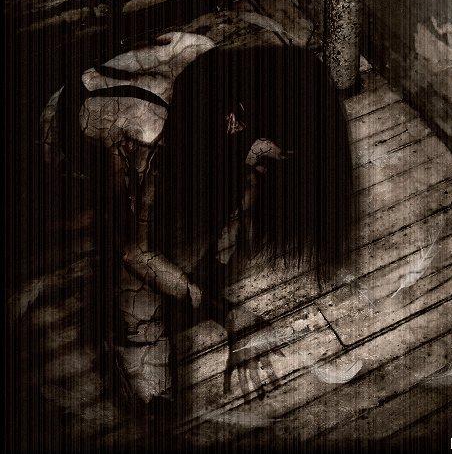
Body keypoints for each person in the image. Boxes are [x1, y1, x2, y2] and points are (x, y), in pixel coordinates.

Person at [42, 30, 355, 414]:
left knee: (231, 192)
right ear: (238, 121)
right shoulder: (149, 138)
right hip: (75, 146)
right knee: (139, 260)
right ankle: (128, 333)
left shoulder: (211, 68)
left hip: (153, 123)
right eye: (277, 151)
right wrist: (224, 312)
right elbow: (136, 254)